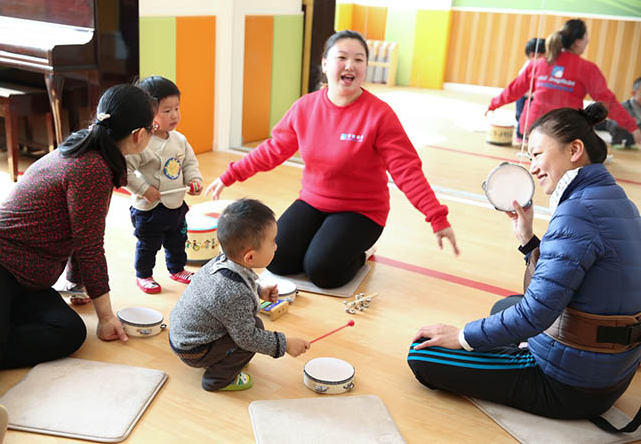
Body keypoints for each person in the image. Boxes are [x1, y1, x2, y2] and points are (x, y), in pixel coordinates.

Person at [408, 103, 641, 428]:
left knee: (423, 354)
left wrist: (461, 336)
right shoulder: (616, 200)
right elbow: (560, 285)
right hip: (614, 371)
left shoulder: (577, 212)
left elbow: (535, 314)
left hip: (570, 385)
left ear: (574, 150)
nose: (532, 167)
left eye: (537, 154)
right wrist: (528, 239)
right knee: (503, 306)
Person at [0, 84, 156, 442]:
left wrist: (76, 283)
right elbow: (90, 245)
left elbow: (80, 233)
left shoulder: (86, 147)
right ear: (139, 134)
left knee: (68, 332)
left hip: (28, 279)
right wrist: (106, 317)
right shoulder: (92, 167)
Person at [206, 30, 459, 289]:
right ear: (325, 64)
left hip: (362, 211)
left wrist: (436, 217)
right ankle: (324, 244)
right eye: (342, 57)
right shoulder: (305, 107)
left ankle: (362, 252)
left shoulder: (380, 115)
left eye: (359, 59)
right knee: (276, 259)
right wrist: (231, 174)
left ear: (365, 68)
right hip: (313, 201)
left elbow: (407, 171)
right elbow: (273, 150)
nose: (350, 65)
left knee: (323, 271)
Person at [169, 199, 310, 391]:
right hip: (195, 349)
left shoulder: (222, 260)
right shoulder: (233, 293)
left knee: (252, 325)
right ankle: (218, 379)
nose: (276, 246)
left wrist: (259, 291)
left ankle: (225, 357)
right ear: (250, 257)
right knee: (253, 332)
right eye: (272, 242)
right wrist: (285, 344)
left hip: (185, 338)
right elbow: (248, 338)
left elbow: (235, 289)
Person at [487, 19, 641, 147]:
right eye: (586, 37)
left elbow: (514, 89)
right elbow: (607, 102)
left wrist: (494, 104)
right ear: (578, 42)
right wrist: (632, 127)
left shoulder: (540, 63)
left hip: (534, 131)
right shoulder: (587, 69)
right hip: (564, 132)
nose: (588, 40)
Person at [126, 76, 203, 294]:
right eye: (166, 111)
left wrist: (194, 180)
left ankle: (177, 269)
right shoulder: (141, 141)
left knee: (178, 240)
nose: (174, 115)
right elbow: (126, 171)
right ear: (147, 114)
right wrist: (144, 190)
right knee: (148, 244)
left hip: (175, 205)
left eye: (176, 108)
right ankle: (144, 275)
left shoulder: (179, 140)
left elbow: (189, 163)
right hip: (149, 208)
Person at [514, 37, 546, 142]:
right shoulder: (530, 66)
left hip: (531, 97)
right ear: (533, 55)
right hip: (524, 96)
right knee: (521, 116)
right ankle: (520, 135)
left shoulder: (538, 65)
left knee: (530, 117)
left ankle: (526, 135)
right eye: (545, 55)